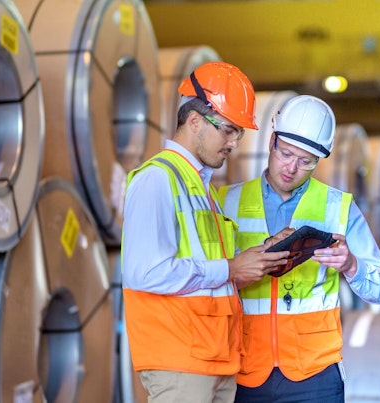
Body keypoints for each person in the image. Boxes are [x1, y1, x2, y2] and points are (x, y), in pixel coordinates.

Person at [121, 61, 291, 402]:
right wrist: (231, 268)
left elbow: (210, 280)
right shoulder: (158, 179)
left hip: (213, 359)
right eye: (228, 130)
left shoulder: (202, 189)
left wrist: (258, 259)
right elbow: (145, 272)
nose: (233, 143)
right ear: (195, 121)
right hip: (180, 361)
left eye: (238, 133)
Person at [218, 95, 380, 402]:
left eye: (306, 161)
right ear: (271, 141)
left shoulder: (339, 207)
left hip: (315, 375)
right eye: (286, 153)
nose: (292, 168)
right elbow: (206, 282)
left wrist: (352, 266)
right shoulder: (226, 201)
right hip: (244, 371)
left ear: (319, 159)